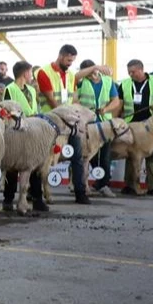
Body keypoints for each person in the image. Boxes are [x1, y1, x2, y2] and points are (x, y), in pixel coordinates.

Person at [35, 45, 111, 205]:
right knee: (42, 159)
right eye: (69, 60)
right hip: (50, 123)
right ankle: (36, 194)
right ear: (61, 55)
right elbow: (51, 100)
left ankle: (80, 192)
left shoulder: (70, 75)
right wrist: (67, 117)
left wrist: (75, 116)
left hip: (70, 124)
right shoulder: (44, 72)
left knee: (77, 157)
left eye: (72, 61)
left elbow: (73, 98)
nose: (70, 63)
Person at [118, 60, 153, 196]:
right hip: (131, 124)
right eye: (129, 72)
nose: (130, 74)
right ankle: (130, 185)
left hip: (151, 125)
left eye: (133, 72)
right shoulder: (125, 84)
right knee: (131, 154)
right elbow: (119, 103)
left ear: (141, 69)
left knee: (152, 153)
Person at [0, 60, 44, 211]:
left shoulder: (31, 90)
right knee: (13, 165)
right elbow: (5, 109)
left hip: (32, 131)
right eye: (30, 72)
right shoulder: (10, 89)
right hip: (16, 132)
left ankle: (37, 198)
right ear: (25, 73)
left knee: (34, 164)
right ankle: (8, 198)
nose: (31, 75)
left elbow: (35, 108)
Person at [76, 59, 121, 198]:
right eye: (88, 72)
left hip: (103, 124)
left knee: (106, 155)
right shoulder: (81, 81)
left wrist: (106, 109)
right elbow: (76, 76)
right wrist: (94, 67)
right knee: (89, 156)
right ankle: (86, 184)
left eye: (93, 71)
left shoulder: (108, 81)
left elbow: (116, 100)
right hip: (86, 123)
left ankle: (104, 184)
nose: (92, 74)